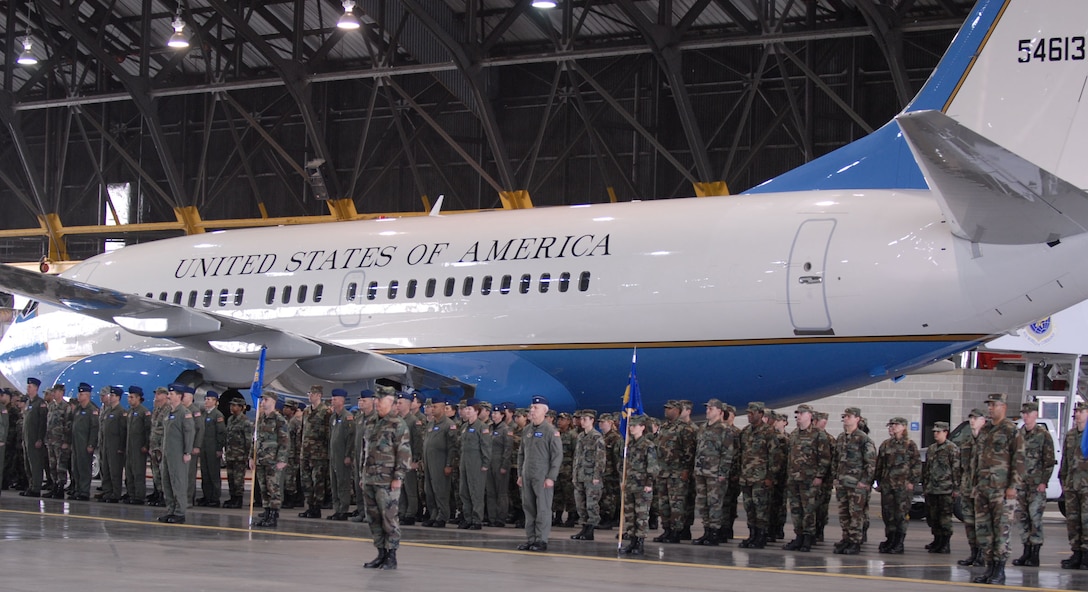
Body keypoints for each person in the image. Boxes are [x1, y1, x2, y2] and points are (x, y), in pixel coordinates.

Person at [971, 393, 1025, 585]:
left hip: (1001, 490)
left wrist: (1013, 486)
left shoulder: (1011, 430)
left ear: (1004, 407)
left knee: (1001, 530)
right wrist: (975, 484)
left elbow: (1019, 460)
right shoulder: (985, 430)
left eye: (994, 405)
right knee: (984, 531)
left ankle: (999, 570)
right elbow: (977, 459)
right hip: (983, 489)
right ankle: (989, 568)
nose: (990, 408)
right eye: (989, 405)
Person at [361, 387, 411, 570]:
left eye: (381, 401)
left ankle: (392, 555)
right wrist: (362, 475)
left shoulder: (398, 424)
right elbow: (365, 452)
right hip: (370, 478)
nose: (377, 403)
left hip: (387, 480)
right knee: (373, 518)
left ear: (391, 403)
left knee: (389, 518)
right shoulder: (371, 422)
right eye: (377, 400)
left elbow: (404, 453)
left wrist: (399, 476)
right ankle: (380, 553)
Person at [1012, 401, 1056, 567]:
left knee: (1035, 518)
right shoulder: (1019, 434)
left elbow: (1049, 460)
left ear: (1035, 415)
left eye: (1028, 413)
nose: (1025, 416)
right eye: (1024, 413)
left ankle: (1035, 553)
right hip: (1021, 485)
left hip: (1036, 485)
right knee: (1022, 518)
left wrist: (1044, 481)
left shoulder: (1043, 434)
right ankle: (1026, 551)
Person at [783, 403, 832, 552]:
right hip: (794, 479)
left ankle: (808, 537)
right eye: (797, 413)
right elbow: (790, 457)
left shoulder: (818, 434)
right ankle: (799, 536)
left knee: (809, 510)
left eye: (801, 413)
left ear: (810, 416)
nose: (798, 416)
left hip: (809, 479)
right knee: (796, 510)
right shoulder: (794, 434)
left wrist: (819, 476)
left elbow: (825, 458)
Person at [517, 395, 563, 552]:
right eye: (531, 407)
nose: (532, 410)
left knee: (542, 508)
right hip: (527, 474)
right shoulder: (527, 430)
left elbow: (557, 456)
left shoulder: (551, 431)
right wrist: (520, 474)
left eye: (535, 408)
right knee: (528, 507)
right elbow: (521, 454)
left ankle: (541, 539)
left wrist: (551, 477)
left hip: (542, 475)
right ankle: (531, 539)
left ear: (544, 411)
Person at [832, 407, 876, 555]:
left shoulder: (863, 438)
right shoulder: (841, 438)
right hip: (843, 482)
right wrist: (835, 478)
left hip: (857, 484)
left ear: (857, 418)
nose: (846, 419)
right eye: (844, 416)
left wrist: (864, 481)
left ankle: (855, 541)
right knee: (844, 513)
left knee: (856, 514)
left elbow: (870, 463)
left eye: (849, 416)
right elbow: (836, 460)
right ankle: (846, 539)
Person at [874, 416, 921, 554]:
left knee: (900, 514)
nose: (892, 427)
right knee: (888, 514)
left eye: (895, 425)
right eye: (891, 425)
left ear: (903, 427)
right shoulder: (886, 444)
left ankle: (899, 542)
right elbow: (880, 466)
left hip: (903, 487)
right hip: (887, 485)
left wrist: (913, 482)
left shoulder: (910, 445)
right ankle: (890, 539)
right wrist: (878, 481)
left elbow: (916, 465)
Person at [691, 398, 735, 546]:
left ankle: (715, 532)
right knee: (702, 503)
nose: (707, 410)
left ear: (720, 411)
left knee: (715, 503)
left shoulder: (724, 429)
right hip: (701, 471)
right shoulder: (702, 427)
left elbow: (727, 453)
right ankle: (707, 531)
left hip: (715, 473)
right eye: (707, 408)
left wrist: (723, 472)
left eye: (711, 408)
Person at [653, 400, 697, 543]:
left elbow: (689, 452)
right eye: (666, 408)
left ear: (677, 411)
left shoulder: (685, 429)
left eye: (669, 409)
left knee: (676, 504)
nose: (666, 411)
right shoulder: (664, 427)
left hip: (677, 473)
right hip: (663, 472)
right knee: (663, 504)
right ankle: (667, 530)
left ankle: (677, 531)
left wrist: (686, 470)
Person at [738, 401, 776, 548]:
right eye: (748, 413)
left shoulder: (769, 432)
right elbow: (741, 453)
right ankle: (752, 535)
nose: (749, 415)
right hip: (747, 477)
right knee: (749, 508)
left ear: (760, 414)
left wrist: (770, 476)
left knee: (761, 508)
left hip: (761, 478)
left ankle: (761, 536)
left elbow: (774, 456)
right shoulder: (746, 432)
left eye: (752, 413)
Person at [620, 414, 659, 556]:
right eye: (630, 426)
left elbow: (653, 467)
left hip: (642, 486)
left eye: (634, 426)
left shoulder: (648, 445)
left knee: (641, 515)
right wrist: (622, 480)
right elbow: (624, 465)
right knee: (630, 515)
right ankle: (632, 540)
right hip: (630, 484)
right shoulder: (628, 444)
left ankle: (640, 542)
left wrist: (649, 483)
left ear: (642, 427)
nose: (631, 428)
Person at [956, 408, 989, 567]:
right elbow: (962, 466)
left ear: (984, 420)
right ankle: (974, 553)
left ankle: (983, 554)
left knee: (981, 523)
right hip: (967, 487)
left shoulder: (988, 440)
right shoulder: (967, 441)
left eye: (976, 418)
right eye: (970, 418)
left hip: (982, 489)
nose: (972, 421)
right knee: (969, 523)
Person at [159, 383, 195, 523]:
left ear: (179, 396)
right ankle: (171, 510)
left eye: (172, 394)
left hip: (179, 454)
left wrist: (187, 451)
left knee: (178, 483)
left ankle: (180, 512)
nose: (169, 396)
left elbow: (189, 433)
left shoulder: (184, 413)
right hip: (167, 454)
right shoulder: (168, 413)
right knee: (167, 482)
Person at [923, 421, 960, 554]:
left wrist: (956, 489)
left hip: (946, 489)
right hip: (932, 488)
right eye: (934, 432)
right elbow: (927, 469)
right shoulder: (932, 449)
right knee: (934, 517)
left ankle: (945, 543)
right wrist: (926, 486)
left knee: (945, 518)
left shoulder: (952, 449)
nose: (935, 434)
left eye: (938, 432)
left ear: (945, 432)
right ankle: (937, 540)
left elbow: (956, 470)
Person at [253, 393, 290, 528]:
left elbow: (284, 441)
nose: (263, 402)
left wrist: (282, 459)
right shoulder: (261, 418)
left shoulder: (279, 419)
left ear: (273, 402)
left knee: (273, 489)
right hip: (261, 459)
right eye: (262, 399)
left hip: (273, 460)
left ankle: (273, 515)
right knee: (263, 489)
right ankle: (267, 512)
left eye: (266, 399)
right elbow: (256, 440)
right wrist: (252, 456)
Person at [1059, 401, 1088, 570]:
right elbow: (1065, 461)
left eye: (1081, 411)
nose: (1077, 414)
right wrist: (1064, 481)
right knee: (1073, 521)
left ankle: (1086, 555)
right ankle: (1076, 552)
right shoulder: (1070, 435)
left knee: (1086, 520)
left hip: (1086, 486)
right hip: (1072, 485)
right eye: (1076, 411)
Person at [570, 409, 605, 541]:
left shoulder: (597, 437)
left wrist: (597, 476)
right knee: (580, 504)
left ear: (592, 421)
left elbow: (600, 458)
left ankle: (590, 530)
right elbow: (577, 458)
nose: (582, 421)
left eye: (585, 419)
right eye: (581, 419)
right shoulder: (580, 436)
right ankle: (584, 527)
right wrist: (574, 475)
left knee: (591, 504)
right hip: (579, 476)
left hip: (591, 477)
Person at [423, 397, 458, 527]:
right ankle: (433, 514)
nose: (432, 409)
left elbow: (452, 447)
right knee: (430, 489)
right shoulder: (431, 424)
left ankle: (442, 516)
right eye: (431, 407)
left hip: (440, 462)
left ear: (443, 408)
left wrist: (449, 464)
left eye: (435, 407)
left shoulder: (448, 425)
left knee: (440, 490)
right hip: (429, 462)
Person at [458, 398, 491, 530]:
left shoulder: (482, 427)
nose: (467, 411)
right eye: (466, 409)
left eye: (469, 409)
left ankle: (477, 519)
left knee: (476, 492)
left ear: (476, 411)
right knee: (464, 491)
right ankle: (468, 518)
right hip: (465, 463)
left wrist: (485, 463)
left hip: (476, 463)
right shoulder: (465, 427)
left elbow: (486, 446)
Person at [299, 385, 331, 518]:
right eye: (309, 393)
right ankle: (310, 506)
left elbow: (329, 433)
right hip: (305, 452)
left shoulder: (325, 412)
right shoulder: (306, 411)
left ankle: (317, 507)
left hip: (319, 453)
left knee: (317, 481)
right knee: (306, 481)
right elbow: (303, 431)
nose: (309, 396)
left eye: (312, 393)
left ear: (319, 395)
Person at [327, 388, 355, 521]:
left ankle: (343, 509)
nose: (333, 401)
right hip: (333, 455)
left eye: (335, 399)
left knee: (343, 482)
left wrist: (348, 455)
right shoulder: (333, 417)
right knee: (334, 482)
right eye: (332, 399)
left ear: (342, 401)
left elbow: (350, 438)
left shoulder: (347, 417)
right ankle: (337, 508)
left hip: (342, 455)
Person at [196, 390, 227, 507]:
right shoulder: (204, 414)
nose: (206, 401)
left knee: (213, 474)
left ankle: (215, 497)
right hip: (204, 448)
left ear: (215, 401)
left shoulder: (217, 415)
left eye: (209, 399)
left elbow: (221, 433)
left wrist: (219, 448)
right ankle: (207, 496)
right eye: (206, 399)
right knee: (205, 473)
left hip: (213, 448)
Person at [69, 383, 100, 501]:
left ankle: (84, 491)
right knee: (76, 467)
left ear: (87, 395)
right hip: (76, 443)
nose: (79, 396)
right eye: (79, 394)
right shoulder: (78, 409)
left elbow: (94, 428)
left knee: (84, 468)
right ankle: (77, 489)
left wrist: (91, 444)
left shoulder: (91, 410)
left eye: (81, 394)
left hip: (85, 444)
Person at [486, 401, 513, 527]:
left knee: (501, 492)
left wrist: (504, 466)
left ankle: (501, 517)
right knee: (490, 491)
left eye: (497, 413)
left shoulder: (506, 430)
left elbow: (508, 449)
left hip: (499, 463)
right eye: (493, 413)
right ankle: (492, 517)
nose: (494, 415)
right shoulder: (490, 428)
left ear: (502, 415)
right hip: (489, 463)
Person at [223, 396, 253, 508]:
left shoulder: (245, 421)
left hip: (240, 455)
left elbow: (248, 440)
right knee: (230, 477)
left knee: (238, 479)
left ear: (241, 407)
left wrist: (248, 455)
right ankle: (232, 497)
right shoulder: (230, 419)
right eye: (231, 405)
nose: (232, 407)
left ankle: (238, 499)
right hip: (230, 454)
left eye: (235, 405)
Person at [124, 386, 152, 505]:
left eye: (132, 397)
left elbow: (147, 430)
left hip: (139, 447)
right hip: (129, 447)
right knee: (129, 472)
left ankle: (139, 496)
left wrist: (146, 445)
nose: (129, 399)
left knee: (138, 472)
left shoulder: (143, 412)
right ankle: (131, 494)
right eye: (129, 397)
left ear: (138, 398)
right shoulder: (130, 412)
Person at [21, 377, 47, 496]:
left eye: (30, 386)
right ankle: (31, 486)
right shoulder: (28, 403)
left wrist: (40, 438)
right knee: (28, 463)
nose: (28, 388)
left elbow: (42, 422)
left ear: (36, 388)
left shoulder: (40, 403)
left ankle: (36, 488)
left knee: (35, 464)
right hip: (26, 439)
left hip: (35, 439)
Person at [45, 384, 71, 499]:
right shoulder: (51, 406)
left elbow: (68, 425)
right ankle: (54, 486)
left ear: (61, 392)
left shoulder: (66, 407)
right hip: (51, 441)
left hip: (60, 442)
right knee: (52, 465)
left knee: (61, 466)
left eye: (55, 392)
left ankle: (60, 487)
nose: (53, 394)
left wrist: (66, 441)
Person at [146, 386, 169, 506]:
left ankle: (164, 495)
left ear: (166, 396)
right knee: (155, 471)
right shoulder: (157, 410)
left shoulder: (167, 410)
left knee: (162, 471)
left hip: (161, 446)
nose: (156, 396)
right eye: (156, 394)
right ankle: (157, 492)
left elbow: (165, 429)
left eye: (159, 394)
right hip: (154, 446)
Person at [281, 399, 303, 509]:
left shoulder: (295, 421)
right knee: (287, 477)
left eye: (287, 408)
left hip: (293, 454)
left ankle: (292, 499)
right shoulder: (286, 420)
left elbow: (298, 439)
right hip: (286, 454)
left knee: (291, 478)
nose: (285, 409)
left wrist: (298, 454)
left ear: (293, 410)